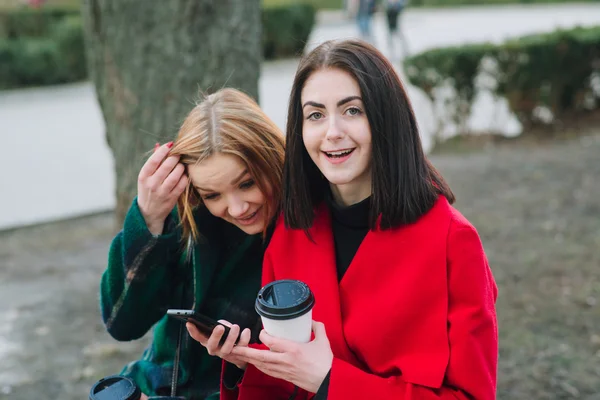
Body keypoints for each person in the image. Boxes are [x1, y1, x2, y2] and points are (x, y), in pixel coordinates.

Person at [225, 39, 499, 399]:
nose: (332, 132)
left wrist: (330, 381)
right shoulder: (291, 232)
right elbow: (281, 378)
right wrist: (242, 363)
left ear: (386, 118)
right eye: (315, 115)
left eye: (353, 110)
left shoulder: (452, 241)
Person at [99, 88, 285, 400]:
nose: (237, 208)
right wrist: (148, 219)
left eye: (247, 183)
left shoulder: (308, 230)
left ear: (271, 157)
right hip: (152, 381)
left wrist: (242, 360)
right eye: (213, 194)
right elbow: (122, 323)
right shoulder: (186, 215)